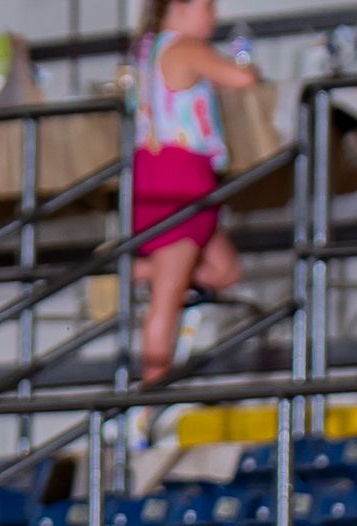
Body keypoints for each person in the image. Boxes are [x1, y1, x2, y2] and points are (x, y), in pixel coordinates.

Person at [129, 0, 257, 387]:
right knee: (167, 297)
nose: (213, 17)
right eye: (207, 7)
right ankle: (152, 390)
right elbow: (241, 78)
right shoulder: (184, 47)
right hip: (177, 179)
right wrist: (247, 66)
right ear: (179, 8)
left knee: (224, 270)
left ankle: (135, 271)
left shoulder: (151, 50)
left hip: (177, 176)